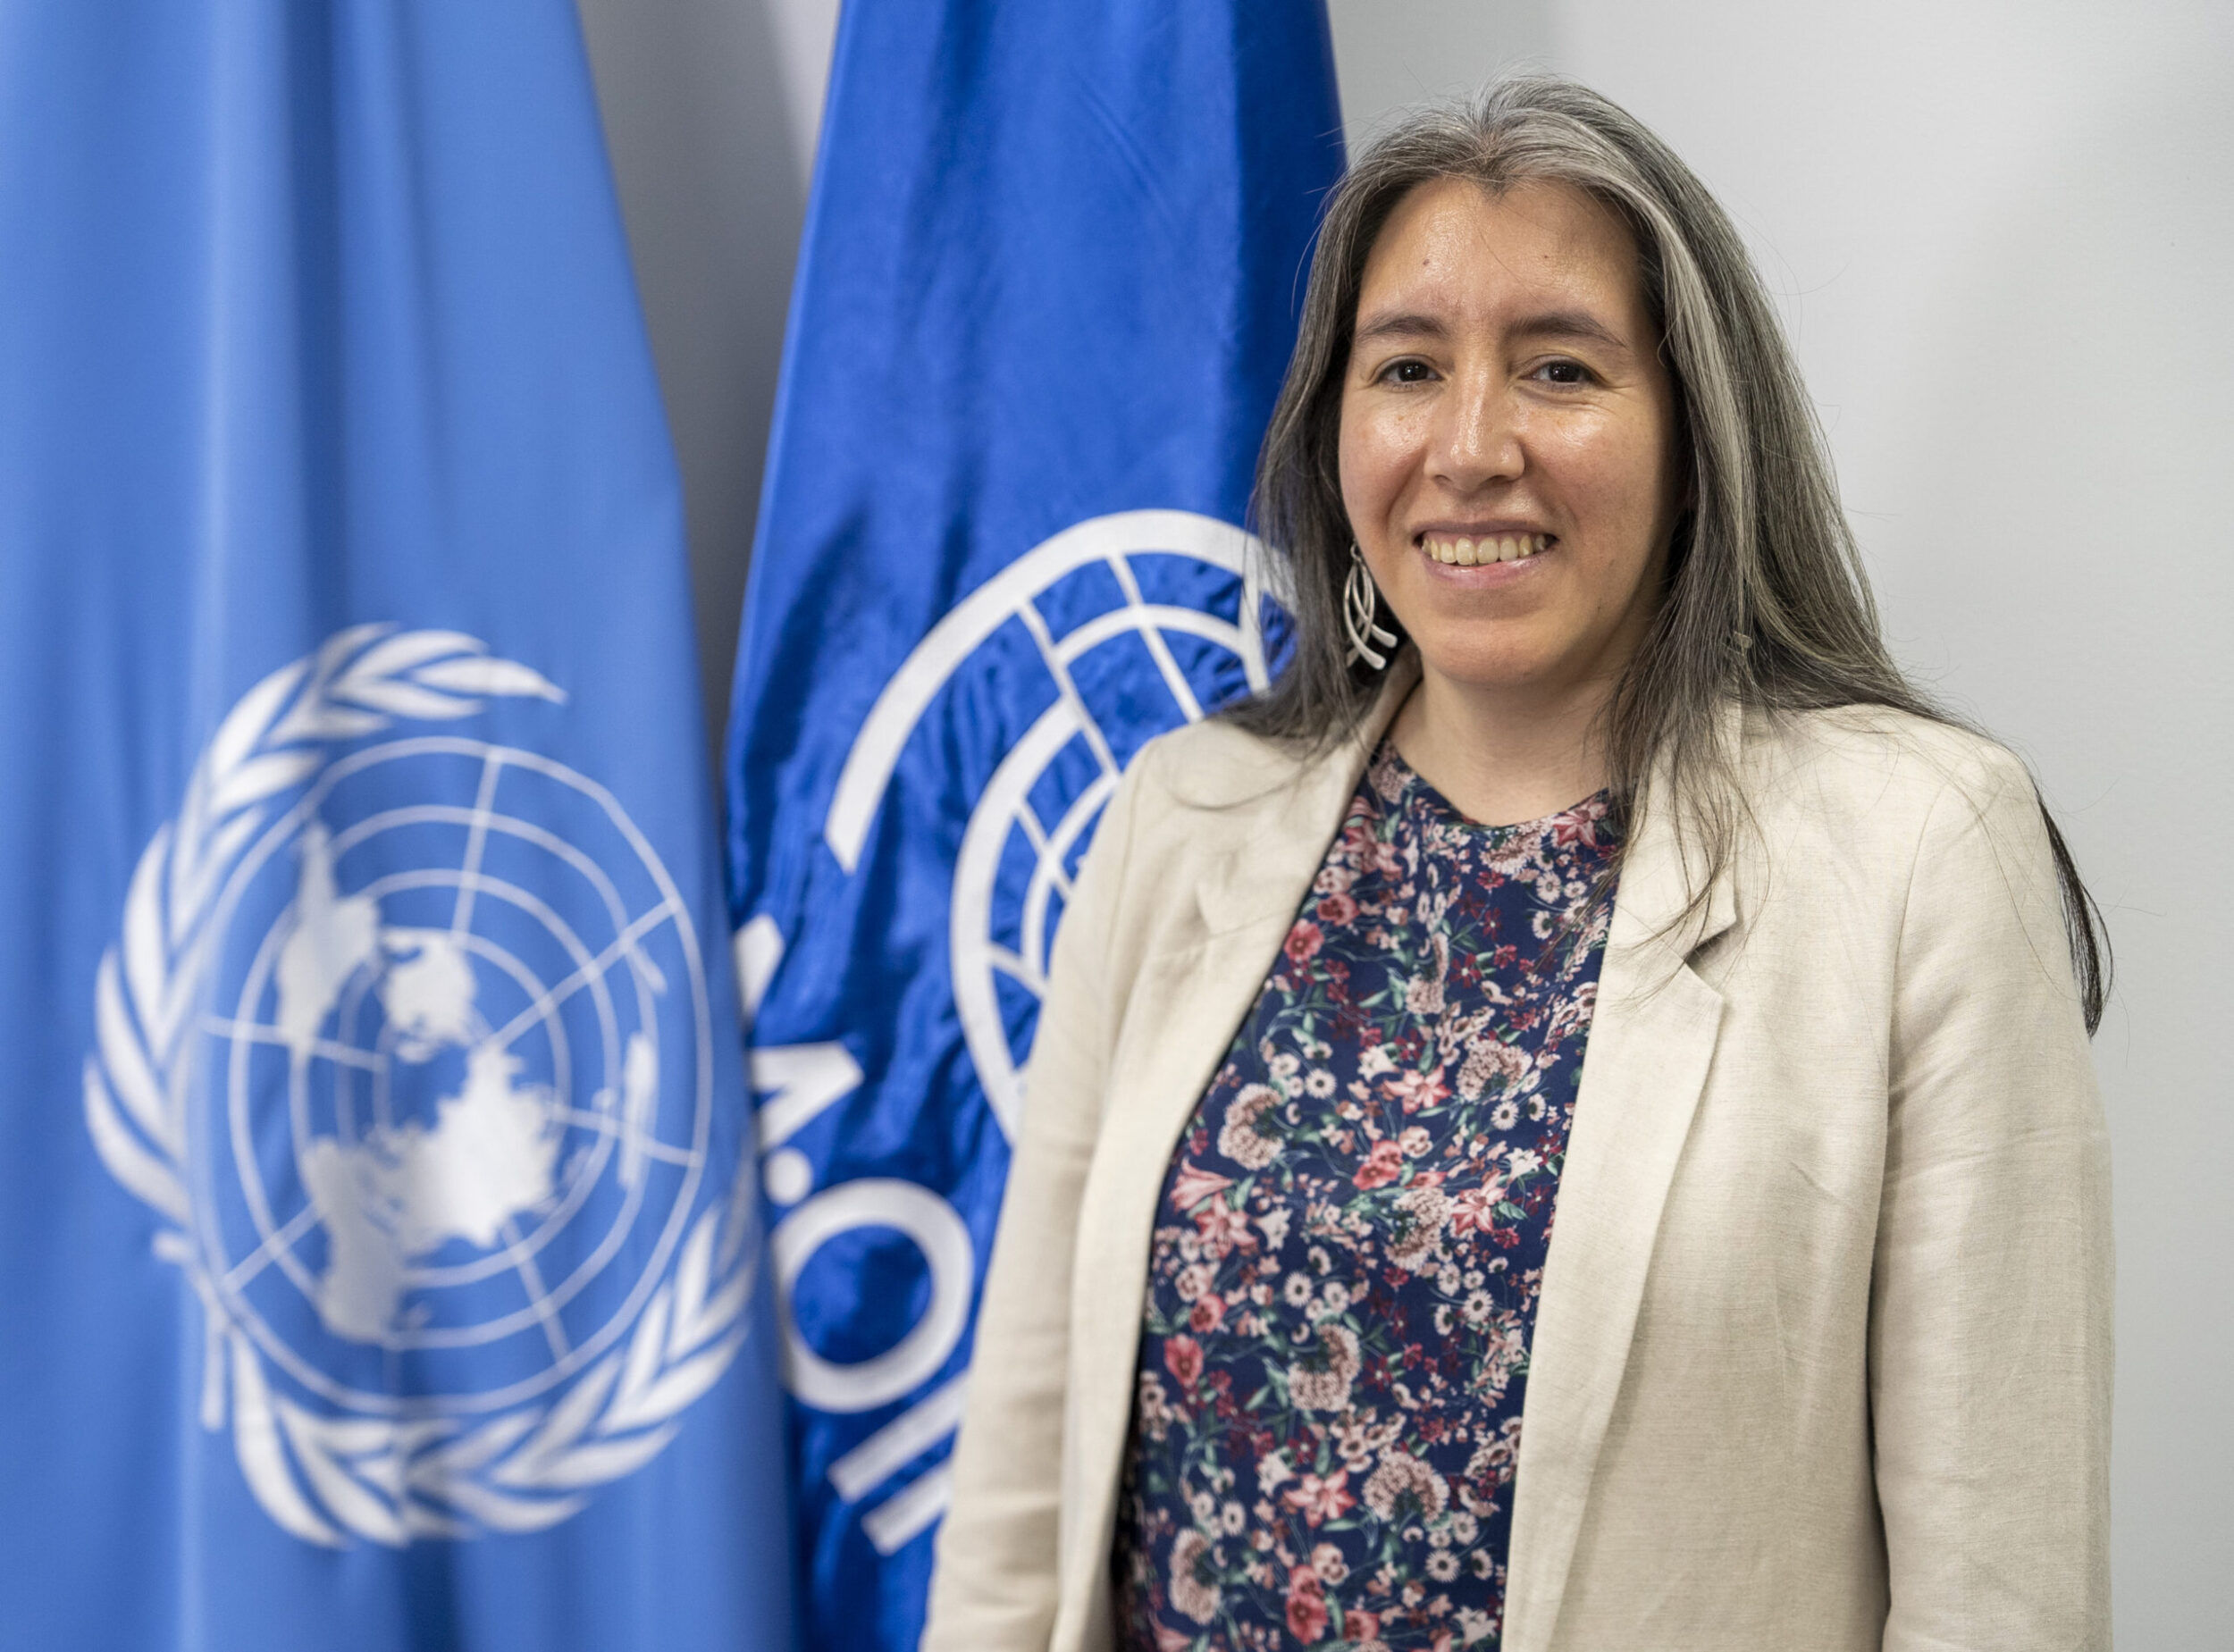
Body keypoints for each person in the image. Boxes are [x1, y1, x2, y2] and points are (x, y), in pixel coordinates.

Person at [921, 74, 2112, 1652]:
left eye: (1559, 367)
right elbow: (1019, 1497)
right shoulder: (1180, 818)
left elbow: (2003, 1600)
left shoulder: (1916, 854)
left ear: (1696, 433)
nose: (1472, 447)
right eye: (1407, 368)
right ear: (1333, 430)